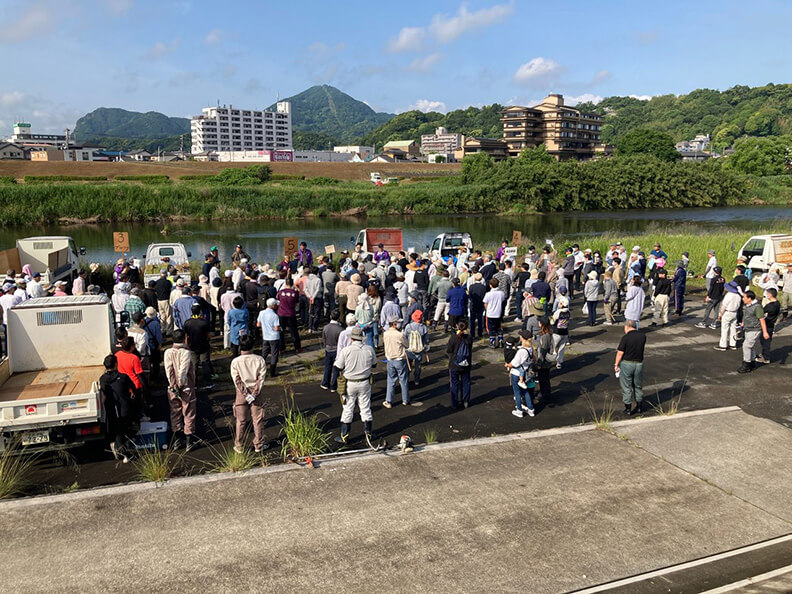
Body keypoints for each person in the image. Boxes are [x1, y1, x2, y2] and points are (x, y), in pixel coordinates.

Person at [334, 326, 377, 444]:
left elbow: (338, 366)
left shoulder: (346, 351)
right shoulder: (369, 349)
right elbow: (374, 365)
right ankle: (368, 434)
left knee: (348, 408)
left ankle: (345, 435)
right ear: (362, 338)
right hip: (364, 382)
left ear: (352, 339)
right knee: (365, 408)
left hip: (350, 383)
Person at [230, 334, 269, 453]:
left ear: (240, 346)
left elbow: (236, 380)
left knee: (240, 420)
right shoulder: (259, 359)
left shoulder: (235, 361)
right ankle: (259, 444)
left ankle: (239, 445)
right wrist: (254, 394)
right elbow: (261, 378)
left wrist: (245, 394)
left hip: (241, 394)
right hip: (255, 393)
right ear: (252, 345)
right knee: (257, 419)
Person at [164, 329, 198, 450]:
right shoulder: (186, 353)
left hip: (172, 388)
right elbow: (183, 370)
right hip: (186, 387)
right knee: (188, 412)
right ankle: (189, 440)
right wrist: (181, 383)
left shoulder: (167, 352)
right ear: (184, 338)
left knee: (175, 412)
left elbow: (169, 370)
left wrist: (173, 385)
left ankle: (177, 440)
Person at [99, 354, 136, 463]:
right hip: (124, 408)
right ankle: (124, 453)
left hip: (110, 410)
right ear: (116, 364)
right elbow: (132, 387)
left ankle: (117, 447)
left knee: (115, 430)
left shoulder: (102, 379)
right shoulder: (123, 377)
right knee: (121, 432)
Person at [384, 317, 419, 407]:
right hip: (400, 359)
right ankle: (405, 400)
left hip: (389, 359)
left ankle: (389, 401)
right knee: (403, 380)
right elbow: (407, 345)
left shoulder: (385, 334)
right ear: (395, 324)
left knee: (391, 380)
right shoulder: (399, 335)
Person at [615, 320, 646, 415]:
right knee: (637, 385)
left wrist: (616, 364)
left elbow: (620, 353)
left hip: (627, 364)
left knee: (626, 386)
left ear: (628, 326)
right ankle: (639, 407)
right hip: (639, 364)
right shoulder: (643, 336)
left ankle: (628, 408)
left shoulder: (625, 338)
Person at [506, 329, 537, 418]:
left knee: (517, 392)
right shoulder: (530, 348)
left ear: (522, 338)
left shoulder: (521, 351)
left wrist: (508, 364)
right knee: (525, 391)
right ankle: (531, 409)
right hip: (525, 372)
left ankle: (519, 410)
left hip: (516, 373)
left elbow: (514, 363)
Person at [183, 303, 214, 389]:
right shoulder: (204, 322)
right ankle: (208, 383)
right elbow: (208, 335)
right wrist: (209, 342)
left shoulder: (187, 323)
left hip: (192, 346)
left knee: (194, 365)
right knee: (205, 364)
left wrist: (187, 345)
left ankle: (194, 383)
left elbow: (186, 336)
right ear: (200, 311)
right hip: (204, 345)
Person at [738, 290, 768, 374]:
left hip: (755, 329)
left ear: (749, 298)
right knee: (750, 346)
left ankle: (746, 364)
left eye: (744, 297)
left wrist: (765, 332)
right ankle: (752, 362)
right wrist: (742, 324)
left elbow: (761, 319)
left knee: (746, 346)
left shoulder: (757, 307)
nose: (742, 299)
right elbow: (746, 315)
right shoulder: (748, 305)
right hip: (748, 329)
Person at [446, 320, 473, 408]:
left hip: (454, 364)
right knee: (466, 383)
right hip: (466, 363)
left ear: (457, 327)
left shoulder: (454, 337)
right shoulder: (469, 338)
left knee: (454, 384)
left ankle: (454, 403)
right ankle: (465, 401)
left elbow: (449, 350)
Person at [403, 309, 429, 386]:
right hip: (419, 350)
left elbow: (404, 337)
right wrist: (426, 348)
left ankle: (406, 379)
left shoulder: (408, 326)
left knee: (408, 365)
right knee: (418, 366)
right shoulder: (424, 328)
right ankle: (416, 380)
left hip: (410, 349)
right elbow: (426, 340)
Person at [257, 297, 281, 377]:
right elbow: (276, 328)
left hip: (265, 336)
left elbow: (258, 324)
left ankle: (258, 369)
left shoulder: (261, 313)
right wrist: (280, 329)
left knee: (264, 354)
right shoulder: (275, 316)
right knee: (274, 354)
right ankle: (272, 372)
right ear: (273, 306)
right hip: (274, 337)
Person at [277, 277, 302, 354]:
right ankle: (297, 347)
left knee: (281, 331)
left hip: (281, 313)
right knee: (294, 331)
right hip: (291, 313)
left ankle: (281, 348)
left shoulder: (280, 292)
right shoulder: (295, 293)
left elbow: (278, 301)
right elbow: (296, 303)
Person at [715, 281, 742, 352]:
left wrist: (720, 315)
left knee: (724, 329)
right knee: (733, 328)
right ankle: (733, 344)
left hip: (727, 312)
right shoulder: (738, 295)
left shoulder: (729, 295)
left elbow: (723, 306)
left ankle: (723, 345)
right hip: (734, 312)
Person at [320, 309, 343, 391]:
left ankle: (325, 383)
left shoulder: (326, 327)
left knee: (327, 367)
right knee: (336, 368)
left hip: (328, 349)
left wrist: (325, 346)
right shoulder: (340, 329)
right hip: (336, 350)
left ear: (330, 317)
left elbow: (324, 339)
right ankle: (334, 385)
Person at [533, 317, 554, 403]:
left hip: (544, 362)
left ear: (542, 324)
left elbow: (543, 351)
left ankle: (545, 395)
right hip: (546, 361)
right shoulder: (548, 334)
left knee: (543, 379)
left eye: (540, 322)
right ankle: (545, 394)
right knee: (545, 379)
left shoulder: (545, 336)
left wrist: (539, 363)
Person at [757, 288, 779, 364]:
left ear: (770, 295)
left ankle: (766, 357)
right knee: (765, 340)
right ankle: (764, 354)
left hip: (767, 324)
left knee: (765, 341)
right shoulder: (777, 303)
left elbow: (761, 312)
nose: (766, 295)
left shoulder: (769, 306)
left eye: (767, 293)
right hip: (772, 324)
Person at [484, 278, 505, 348]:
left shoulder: (488, 294)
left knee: (491, 328)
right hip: (498, 313)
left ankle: (492, 342)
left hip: (490, 313)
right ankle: (500, 340)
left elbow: (485, 303)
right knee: (498, 327)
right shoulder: (501, 293)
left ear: (490, 285)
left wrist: (488, 309)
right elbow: (502, 301)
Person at [143, 307, 163, 381]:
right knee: (156, 362)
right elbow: (158, 335)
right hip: (154, 345)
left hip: (146, 344)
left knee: (148, 361)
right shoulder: (156, 323)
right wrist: (160, 343)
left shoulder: (143, 322)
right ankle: (155, 377)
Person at [550, 296, 570, 370]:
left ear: (561, 304)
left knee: (554, 347)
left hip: (556, 332)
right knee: (561, 348)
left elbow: (552, 322)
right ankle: (559, 362)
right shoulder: (568, 311)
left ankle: (551, 359)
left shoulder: (558, 312)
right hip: (565, 332)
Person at [154, 270, 173, 336]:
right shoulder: (168, 282)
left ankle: (162, 329)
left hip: (159, 300)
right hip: (166, 300)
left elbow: (155, 291)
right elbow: (170, 289)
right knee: (168, 315)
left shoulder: (157, 282)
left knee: (162, 315)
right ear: (166, 275)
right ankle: (168, 330)